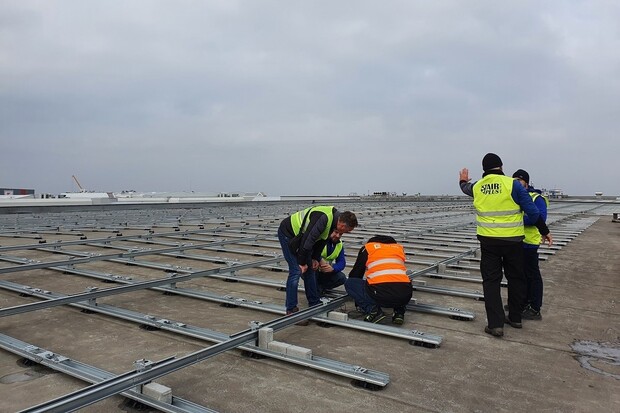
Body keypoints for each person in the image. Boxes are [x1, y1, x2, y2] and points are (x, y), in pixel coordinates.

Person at [459, 153, 551, 338]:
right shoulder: (513, 184)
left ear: (484, 169)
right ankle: (516, 318)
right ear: (501, 166)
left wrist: (461, 181)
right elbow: (533, 213)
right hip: (513, 241)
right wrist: (544, 231)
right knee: (516, 278)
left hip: (489, 242)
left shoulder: (478, 186)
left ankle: (495, 325)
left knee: (491, 282)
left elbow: (466, 188)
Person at [277, 206, 358, 324]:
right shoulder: (324, 218)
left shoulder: (333, 222)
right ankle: (291, 311)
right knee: (295, 271)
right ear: (342, 224)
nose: (345, 233)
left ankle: (314, 302)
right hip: (288, 234)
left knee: (311, 269)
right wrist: (302, 263)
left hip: (303, 238)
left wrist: (315, 258)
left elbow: (321, 241)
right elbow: (307, 241)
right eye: (347, 230)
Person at [344, 235, 413, 325]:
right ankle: (399, 312)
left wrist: (359, 300)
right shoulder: (398, 248)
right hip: (405, 296)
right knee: (401, 280)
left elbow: (356, 274)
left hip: (380, 295)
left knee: (350, 283)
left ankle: (373, 310)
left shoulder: (368, 248)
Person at [512, 169, 552, 320]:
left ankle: (535, 308)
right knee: (520, 275)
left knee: (532, 275)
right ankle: (522, 303)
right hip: (517, 242)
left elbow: (540, 217)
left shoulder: (537, 198)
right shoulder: (515, 197)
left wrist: (517, 221)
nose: (516, 183)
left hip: (529, 243)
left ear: (526, 183)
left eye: (519, 181)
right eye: (514, 181)